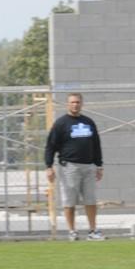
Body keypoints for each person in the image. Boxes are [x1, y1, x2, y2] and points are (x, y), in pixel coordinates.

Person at [45, 93, 105, 241]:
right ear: (67, 104)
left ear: (81, 104)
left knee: (90, 199)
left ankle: (93, 231)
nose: (75, 105)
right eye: (72, 102)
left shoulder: (89, 122)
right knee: (69, 200)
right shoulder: (61, 123)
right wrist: (49, 166)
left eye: (78, 102)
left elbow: (96, 145)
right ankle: (72, 231)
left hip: (89, 166)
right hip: (69, 167)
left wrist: (99, 165)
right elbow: (50, 146)